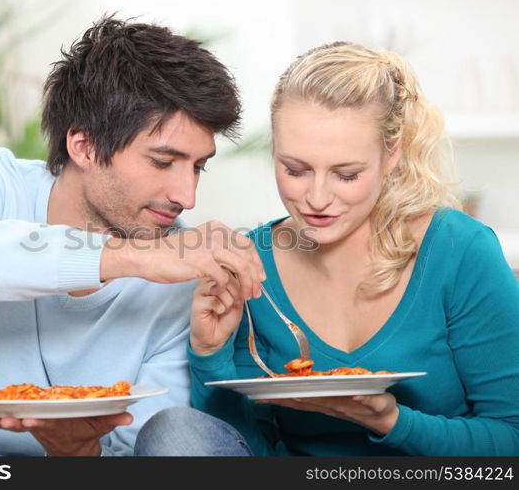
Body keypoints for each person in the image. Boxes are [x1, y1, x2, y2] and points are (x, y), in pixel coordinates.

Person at [0, 16, 266, 457]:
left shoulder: (185, 276)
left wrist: (76, 451)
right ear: (82, 146)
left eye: (197, 167)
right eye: (162, 162)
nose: (187, 196)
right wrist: (135, 259)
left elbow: (145, 447)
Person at [135, 41, 519, 456]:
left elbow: (510, 436)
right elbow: (240, 449)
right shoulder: (252, 260)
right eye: (295, 170)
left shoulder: (457, 249)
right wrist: (211, 354)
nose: (317, 199)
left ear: (391, 156)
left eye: (346, 174)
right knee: (174, 430)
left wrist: (389, 421)